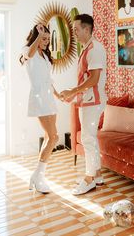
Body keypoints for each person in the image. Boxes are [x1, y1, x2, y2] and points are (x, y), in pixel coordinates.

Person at [58, 14, 106, 195]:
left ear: (87, 29)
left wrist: (72, 92)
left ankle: (89, 179)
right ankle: (98, 175)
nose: (75, 33)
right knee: (90, 138)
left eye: (77, 29)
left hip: (93, 101)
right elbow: (86, 79)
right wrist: (73, 94)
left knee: (87, 138)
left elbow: (94, 79)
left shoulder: (95, 49)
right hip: (88, 100)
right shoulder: (87, 49)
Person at [20, 24, 60, 194]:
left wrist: (57, 94)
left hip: (49, 98)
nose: (45, 42)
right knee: (54, 137)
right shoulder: (28, 50)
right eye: (43, 38)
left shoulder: (45, 55)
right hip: (39, 99)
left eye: (47, 39)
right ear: (36, 36)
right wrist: (39, 36)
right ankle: (38, 176)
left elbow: (49, 79)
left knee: (49, 137)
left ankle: (37, 177)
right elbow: (28, 54)